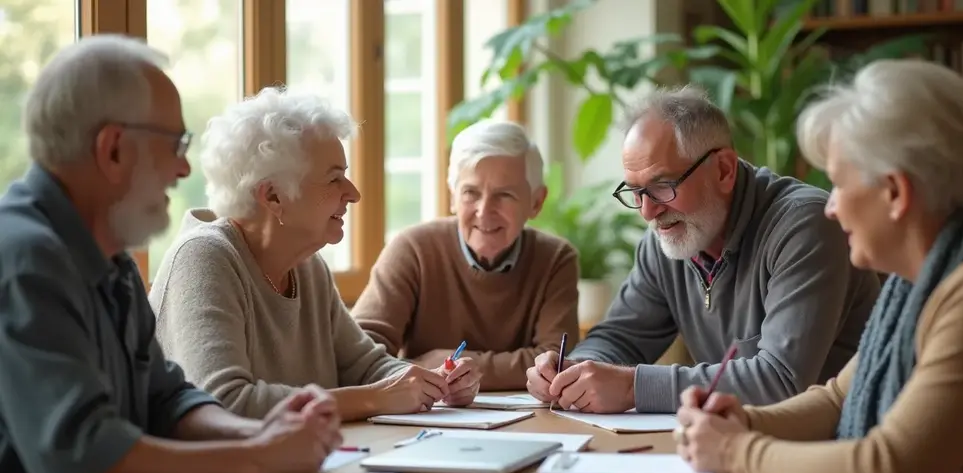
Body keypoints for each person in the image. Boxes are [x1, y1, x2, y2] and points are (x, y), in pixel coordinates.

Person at [0, 36, 343, 473]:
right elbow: (87, 451)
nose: (183, 170)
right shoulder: (25, 258)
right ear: (114, 149)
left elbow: (166, 398)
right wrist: (258, 457)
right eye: (174, 145)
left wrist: (260, 431)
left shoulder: (106, 253)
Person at [675, 60, 963, 473]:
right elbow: (836, 398)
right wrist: (741, 420)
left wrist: (737, 452)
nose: (830, 207)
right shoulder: (918, 282)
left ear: (895, 192)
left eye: (839, 183)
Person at [526, 85, 881, 413]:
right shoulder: (668, 239)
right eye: (635, 191)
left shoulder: (805, 225)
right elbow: (620, 337)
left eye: (662, 186)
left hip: (837, 440)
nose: (647, 212)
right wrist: (573, 371)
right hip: (736, 438)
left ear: (724, 170)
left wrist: (633, 387)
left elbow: (781, 380)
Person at [148, 87, 482, 421]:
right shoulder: (203, 258)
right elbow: (224, 402)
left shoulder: (306, 266)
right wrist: (376, 398)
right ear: (274, 196)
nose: (353, 193)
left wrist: (434, 383)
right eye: (334, 179)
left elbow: (367, 367)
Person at [351, 119, 579, 390]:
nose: (484, 211)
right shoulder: (413, 250)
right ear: (452, 197)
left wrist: (451, 367)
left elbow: (556, 364)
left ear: (536, 202)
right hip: (428, 410)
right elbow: (359, 353)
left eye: (504, 195)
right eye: (470, 193)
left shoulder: (555, 259)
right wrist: (433, 376)